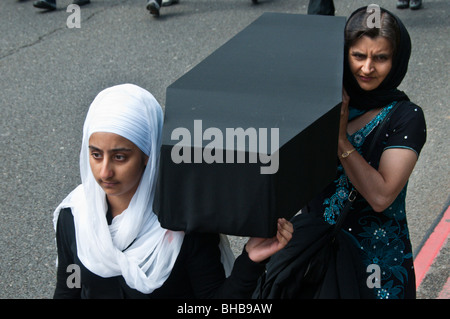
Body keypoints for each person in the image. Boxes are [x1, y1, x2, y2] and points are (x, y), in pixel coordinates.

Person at [52, 83, 293, 298]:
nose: (105, 172)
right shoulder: (75, 216)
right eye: (96, 154)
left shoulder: (184, 225)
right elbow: (69, 288)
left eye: (120, 157)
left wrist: (250, 261)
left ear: (148, 156)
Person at [304, 6, 426, 298]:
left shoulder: (405, 116)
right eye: (358, 55)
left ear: (396, 60)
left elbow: (381, 196)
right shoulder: (322, 101)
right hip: (316, 256)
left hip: (376, 268)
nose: (367, 68)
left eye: (380, 58)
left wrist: (340, 139)